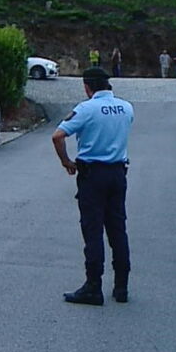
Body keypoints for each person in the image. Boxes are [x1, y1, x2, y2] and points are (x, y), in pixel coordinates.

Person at [51, 68, 134, 306]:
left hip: (93, 176)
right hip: (118, 173)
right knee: (118, 229)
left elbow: (58, 136)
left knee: (93, 230)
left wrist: (66, 162)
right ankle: (121, 287)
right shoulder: (127, 107)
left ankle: (93, 287)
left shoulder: (86, 109)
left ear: (88, 87)